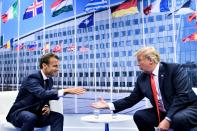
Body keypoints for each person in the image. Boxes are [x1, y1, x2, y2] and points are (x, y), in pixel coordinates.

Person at [91, 47, 197, 131]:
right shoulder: (142, 78)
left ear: (150, 60)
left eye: (139, 60)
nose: (138, 64)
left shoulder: (173, 69)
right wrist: (108, 105)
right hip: (164, 111)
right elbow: (131, 99)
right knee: (140, 116)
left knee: (177, 118)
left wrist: (167, 119)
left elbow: (182, 96)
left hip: (187, 108)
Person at [6, 53, 86, 131]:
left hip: (36, 114)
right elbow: (41, 94)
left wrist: (46, 106)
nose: (58, 69)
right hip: (19, 114)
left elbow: (46, 97)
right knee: (30, 117)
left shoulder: (49, 80)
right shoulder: (32, 78)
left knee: (58, 117)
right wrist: (66, 90)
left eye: (58, 66)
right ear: (44, 65)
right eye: (55, 66)